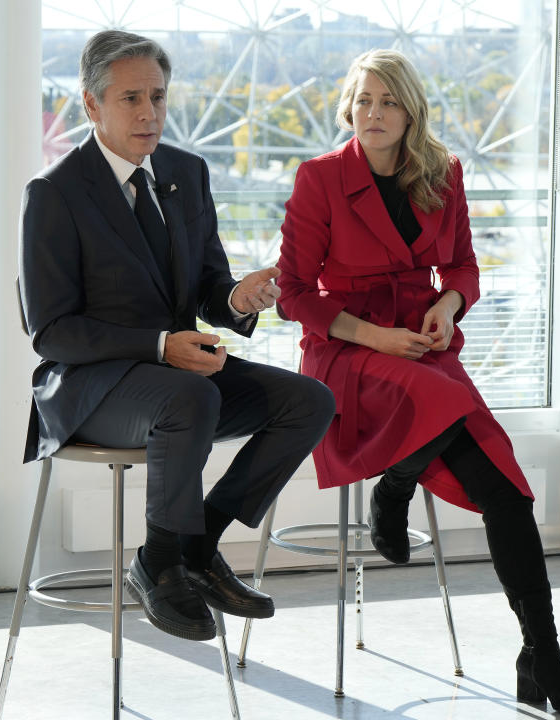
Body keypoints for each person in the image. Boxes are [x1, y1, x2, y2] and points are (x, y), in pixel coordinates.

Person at [275, 49, 560, 717]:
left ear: (411, 110)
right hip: (347, 354)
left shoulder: (443, 173)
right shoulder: (320, 178)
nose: (373, 112)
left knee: (508, 492)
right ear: (349, 106)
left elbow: (463, 271)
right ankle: (394, 487)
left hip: (423, 350)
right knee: (444, 403)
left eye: (387, 101)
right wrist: (377, 337)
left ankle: (543, 656)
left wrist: (446, 307)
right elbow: (297, 296)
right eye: (363, 99)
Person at [19, 30, 335, 642]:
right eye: (131, 98)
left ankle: (196, 545)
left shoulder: (186, 172)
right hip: (91, 388)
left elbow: (210, 283)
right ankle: (160, 561)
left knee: (308, 401)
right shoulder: (54, 194)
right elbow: (53, 332)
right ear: (92, 105)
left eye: (158, 97)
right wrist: (162, 345)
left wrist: (238, 298)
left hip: (180, 384)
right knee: (190, 397)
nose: (149, 113)